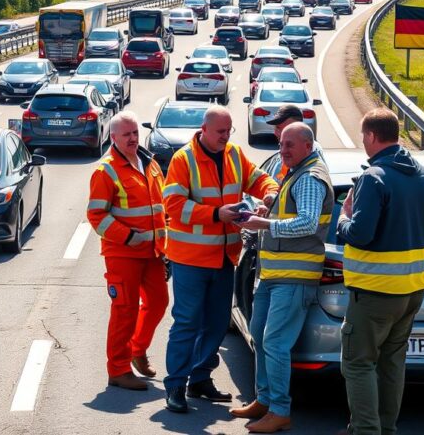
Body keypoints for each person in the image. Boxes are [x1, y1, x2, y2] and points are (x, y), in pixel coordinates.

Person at [161, 105, 278, 413]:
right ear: (204, 129)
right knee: (187, 322)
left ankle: (199, 380)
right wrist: (216, 214)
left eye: (229, 132)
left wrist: (269, 193)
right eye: (220, 133)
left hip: (224, 258)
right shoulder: (183, 159)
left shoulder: (234, 154)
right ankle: (175, 385)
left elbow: (259, 177)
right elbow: (172, 205)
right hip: (190, 258)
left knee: (215, 325)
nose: (225, 137)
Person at [336, 108, 424, 435]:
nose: (363, 141)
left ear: (372, 136)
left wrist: (343, 218)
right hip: (412, 291)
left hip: (375, 291)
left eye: (363, 136)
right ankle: (386, 429)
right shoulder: (423, 175)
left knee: (357, 362)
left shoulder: (373, 177)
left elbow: (360, 234)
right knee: (392, 363)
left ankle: (366, 430)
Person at [231, 123, 334, 433]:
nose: (283, 150)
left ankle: (279, 410)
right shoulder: (294, 172)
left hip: (294, 277)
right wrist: (268, 210)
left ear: (307, 145)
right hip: (273, 274)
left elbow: (306, 223)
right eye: (281, 144)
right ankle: (263, 400)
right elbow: (290, 214)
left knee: (275, 342)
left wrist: (265, 224)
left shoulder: (310, 177)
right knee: (260, 336)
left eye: (290, 144)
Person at [87, 111, 170, 391]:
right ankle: (118, 369)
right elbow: (97, 215)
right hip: (123, 254)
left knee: (159, 303)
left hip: (153, 252)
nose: (133, 138)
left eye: (135, 133)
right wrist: (128, 237)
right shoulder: (105, 170)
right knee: (125, 311)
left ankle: (137, 350)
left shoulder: (150, 163)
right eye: (126, 134)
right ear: (113, 138)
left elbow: (160, 208)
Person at [262, 105, 322, 185]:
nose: (276, 133)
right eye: (276, 128)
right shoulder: (279, 156)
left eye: (281, 128)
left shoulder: (312, 151)